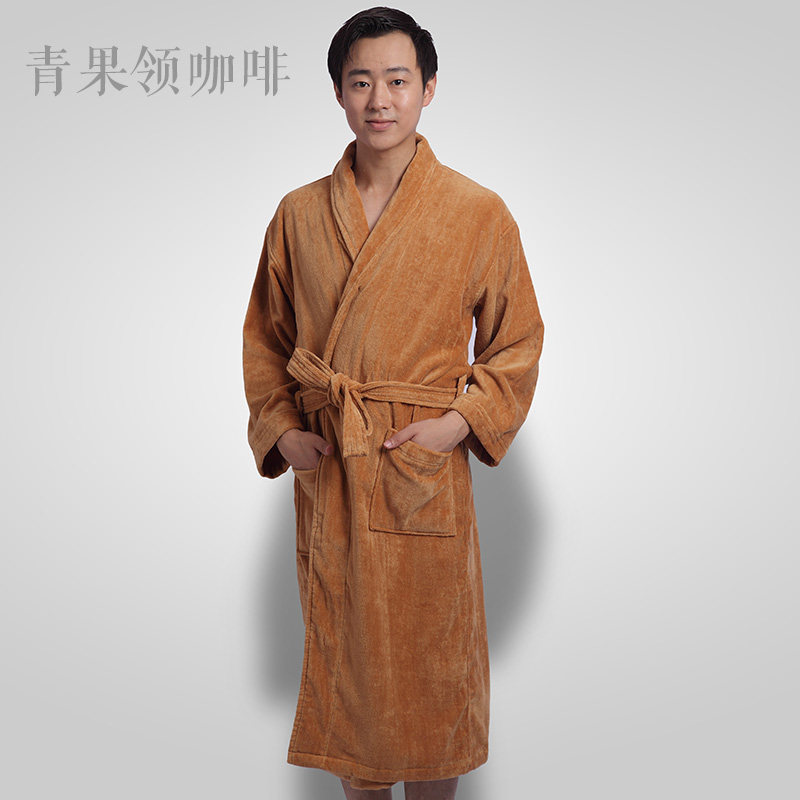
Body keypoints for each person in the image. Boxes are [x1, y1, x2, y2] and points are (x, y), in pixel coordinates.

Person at [242, 7, 544, 798]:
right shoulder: (299, 214)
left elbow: (517, 341)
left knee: (432, 672)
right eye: (361, 81)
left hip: (419, 473)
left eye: (398, 80)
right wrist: (281, 430)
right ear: (339, 92)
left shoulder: (477, 212)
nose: (380, 99)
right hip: (334, 470)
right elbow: (265, 339)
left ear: (428, 89)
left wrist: (459, 423)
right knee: (353, 678)